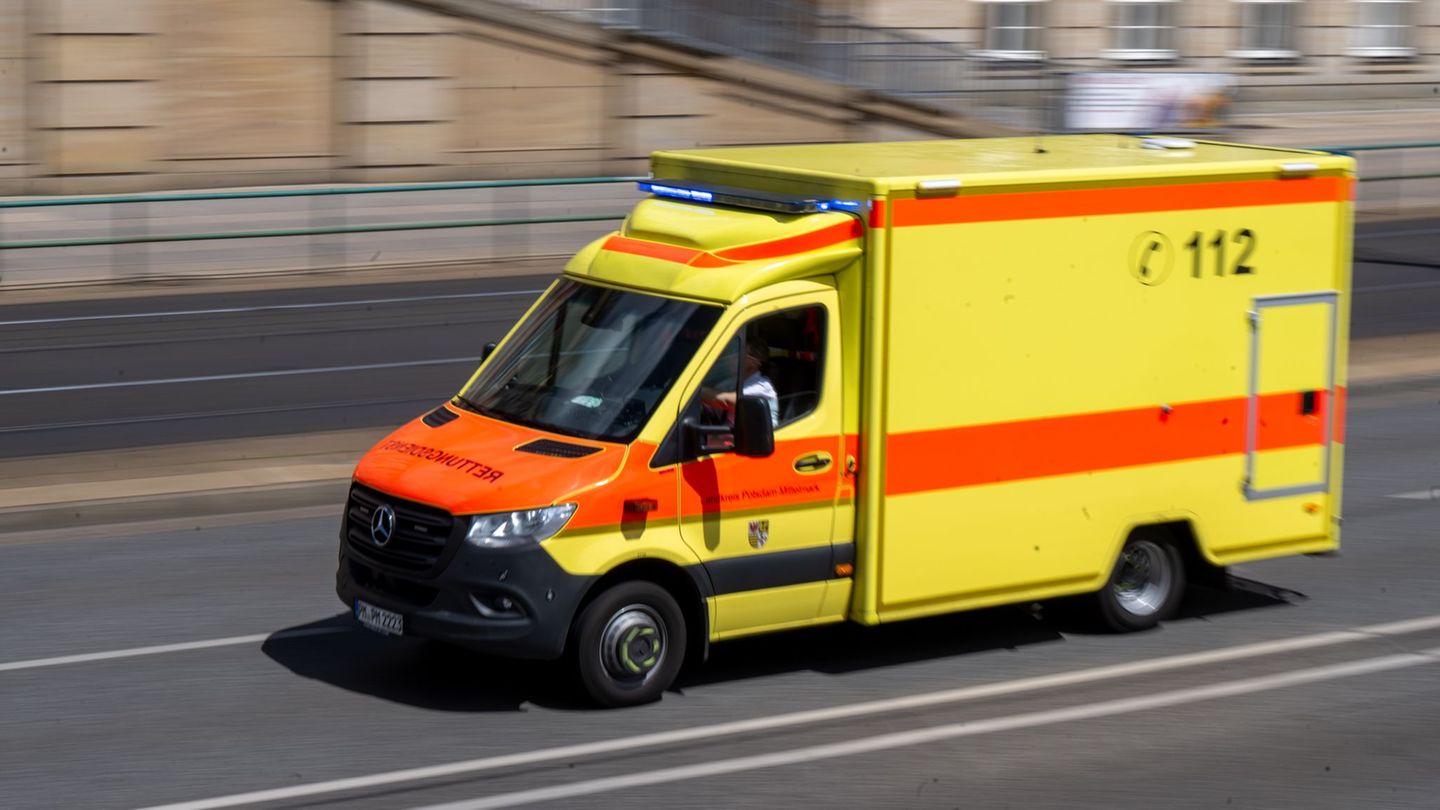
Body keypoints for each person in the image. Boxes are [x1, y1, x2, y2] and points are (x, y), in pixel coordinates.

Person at [714, 337, 779, 428]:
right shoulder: (735, 380)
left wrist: (697, 392)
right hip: (732, 433)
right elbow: (714, 392)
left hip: (758, 438)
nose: (733, 357)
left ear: (754, 363)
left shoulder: (762, 386)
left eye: (739, 353)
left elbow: (728, 400)